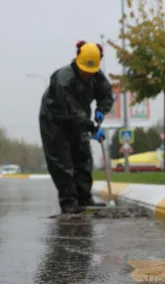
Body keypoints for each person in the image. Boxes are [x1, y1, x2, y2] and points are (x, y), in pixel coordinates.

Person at [39, 41, 114, 214]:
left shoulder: (96, 74)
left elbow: (106, 94)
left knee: (83, 157)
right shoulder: (62, 79)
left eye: (91, 72)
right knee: (62, 161)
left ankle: (84, 197)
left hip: (79, 120)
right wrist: (92, 127)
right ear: (78, 62)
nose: (88, 75)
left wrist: (102, 109)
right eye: (85, 71)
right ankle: (68, 201)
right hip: (54, 121)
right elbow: (71, 110)